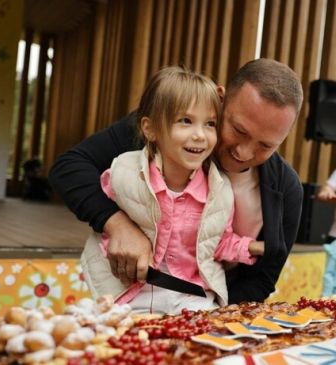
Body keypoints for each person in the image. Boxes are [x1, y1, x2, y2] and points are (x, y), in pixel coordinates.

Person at [49, 59, 304, 304]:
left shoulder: (287, 189)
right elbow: (69, 167)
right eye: (239, 130)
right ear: (220, 98)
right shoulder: (164, 126)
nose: (245, 153)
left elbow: (262, 279)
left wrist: (207, 318)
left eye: (266, 145)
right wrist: (117, 224)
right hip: (125, 295)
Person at [82, 66, 265, 312]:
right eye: (186, 121)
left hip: (190, 296)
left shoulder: (219, 190)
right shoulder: (123, 173)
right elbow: (104, 228)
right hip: (130, 294)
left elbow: (216, 241)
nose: (200, 135)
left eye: (210, 124)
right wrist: (122, 252)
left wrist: (253, 246)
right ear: (150, 129)